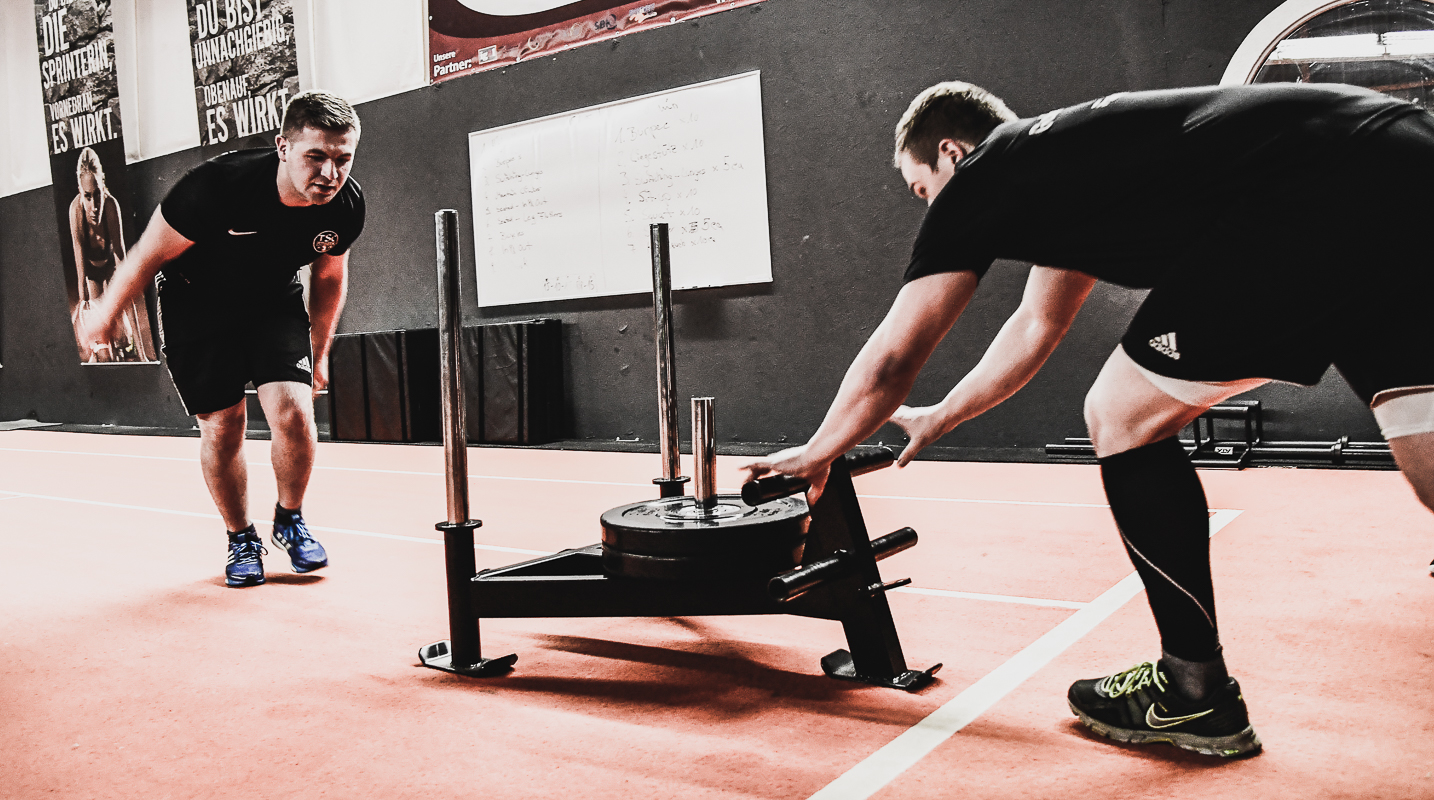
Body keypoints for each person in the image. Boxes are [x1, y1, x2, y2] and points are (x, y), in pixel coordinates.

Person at [740, 80, 1434, 758]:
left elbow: (896, 354)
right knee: (1427, 452)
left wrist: (819, 449)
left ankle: (1193, 689)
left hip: (1311, 191)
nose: (928, 209)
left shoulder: (987, 170)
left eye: (920, 190)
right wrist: (943, 415)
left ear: (951, 153)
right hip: (1399, 157)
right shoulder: (1066, 172)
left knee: (1121, 414)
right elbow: (1036, 324)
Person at [80, 91, 365, 588]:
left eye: (342, 159)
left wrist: (319, 353)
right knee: (224, 424)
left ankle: (290, 519)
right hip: (196, 305)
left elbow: (328, 278)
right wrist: (106, 311)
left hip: (273, 301)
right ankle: (241, 538)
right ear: (283, 146)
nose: (329, 173)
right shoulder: (216, 186)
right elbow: (148, 255)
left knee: (295, 412)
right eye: (315, 156)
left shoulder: (344, 205)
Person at [69, 147, 153, 363]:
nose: (94, 205)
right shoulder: (75, 212)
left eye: (97, 195)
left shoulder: (111, 207)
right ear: (80, 192)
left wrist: (143, 353)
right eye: (87, 197)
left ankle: (128, 345)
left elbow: (127, 272)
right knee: (104, 353)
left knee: (126, 343)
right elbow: (81, 280)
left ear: (103, 187)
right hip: (91, 273)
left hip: (111, 267)